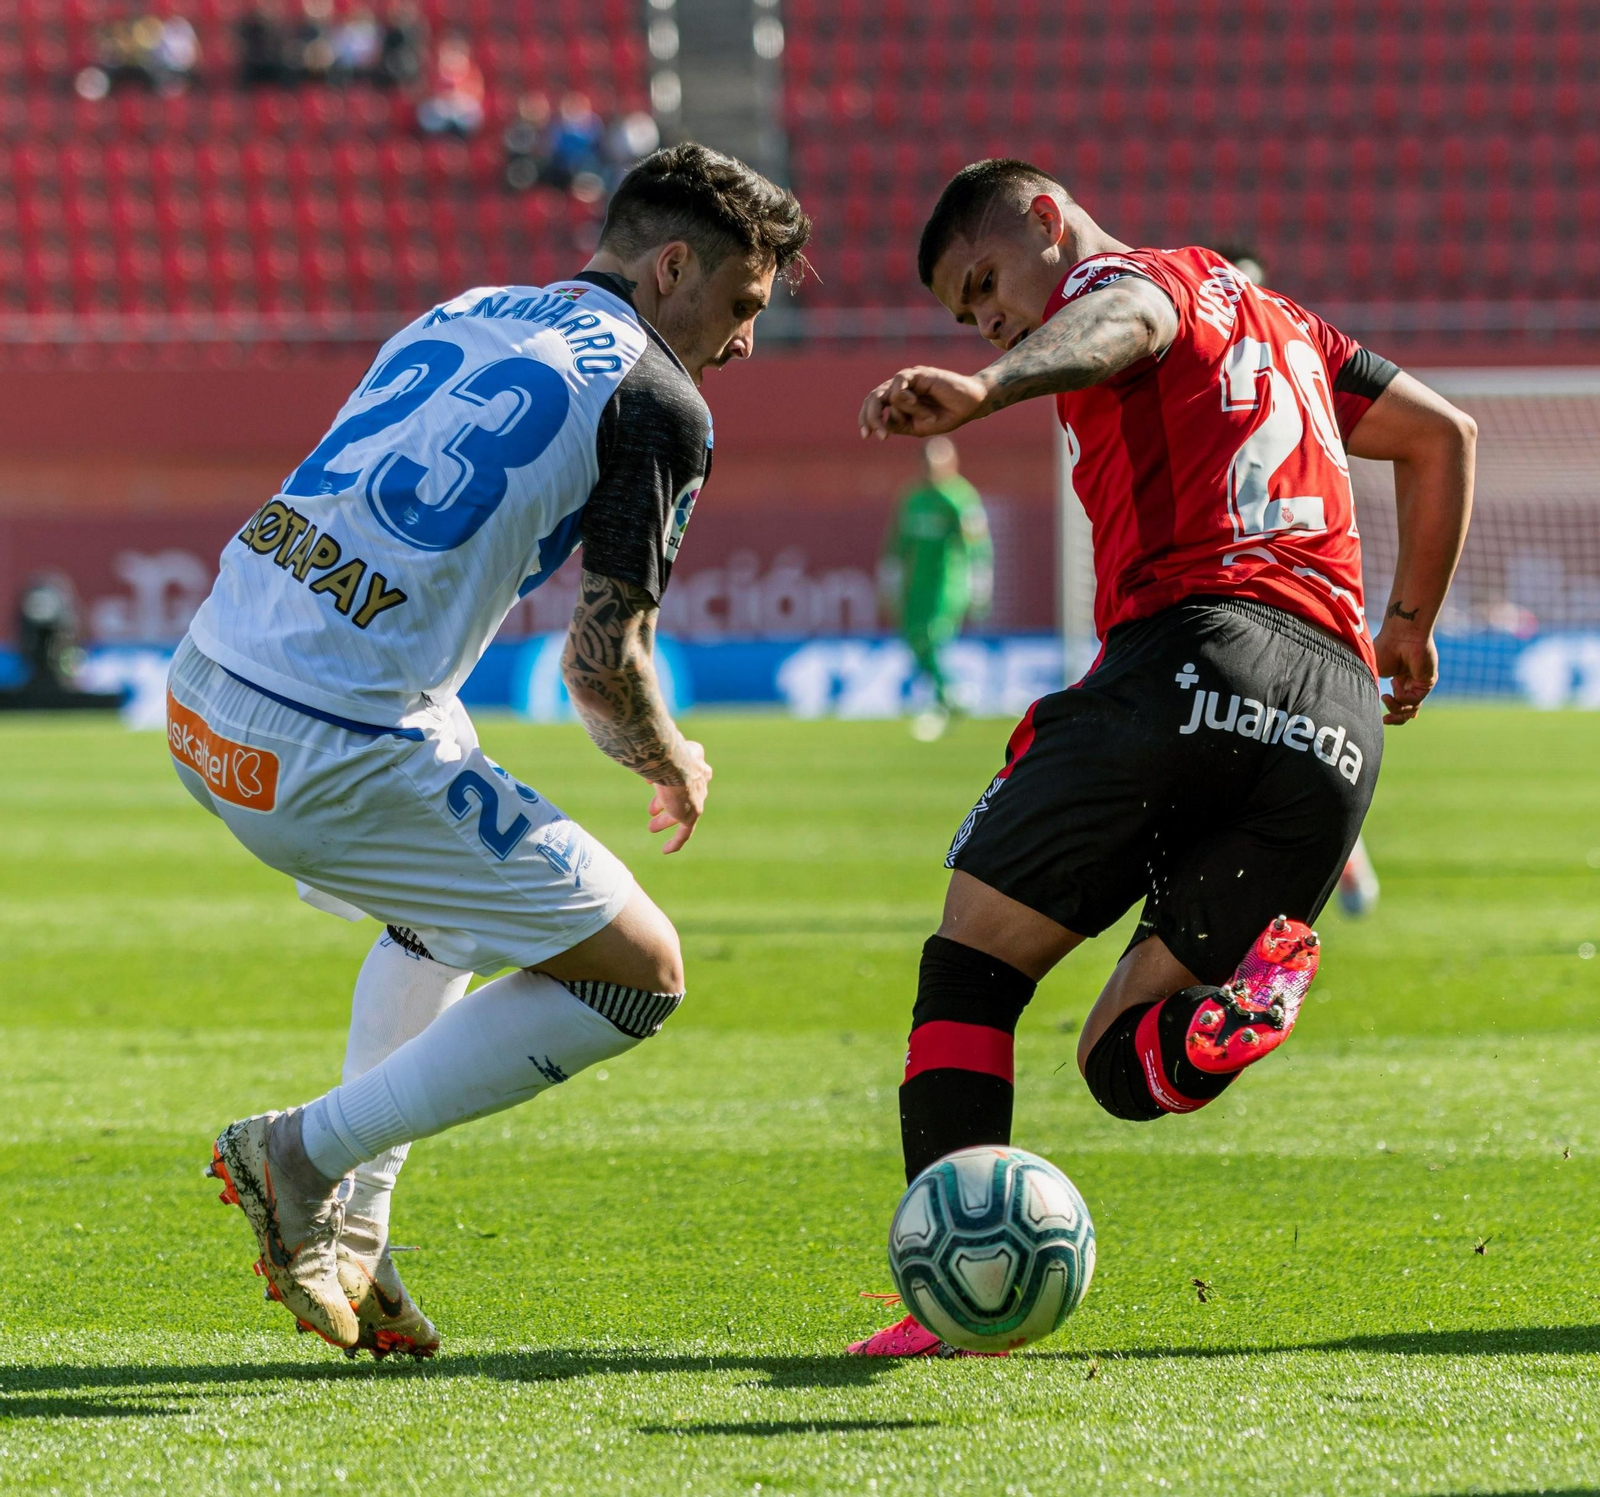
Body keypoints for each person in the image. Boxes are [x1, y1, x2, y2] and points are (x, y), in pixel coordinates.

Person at [175, 144, 810, 1358]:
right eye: (737, 308)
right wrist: (667, 755)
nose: (737, 346)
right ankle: (299, 1157)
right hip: (331, 746)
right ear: (673, 266)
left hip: (207, 687)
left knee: (451, 908)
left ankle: (358, 1229)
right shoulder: (657, 398)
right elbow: (599, 666)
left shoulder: (463, 309)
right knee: (635, 974)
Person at [851, 159, 1474, 1356]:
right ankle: (1216, 1026)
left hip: (1190, 657)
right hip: (1336, 716)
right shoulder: (1288, 324)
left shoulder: (1132, 284)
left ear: (1046, 218)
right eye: (968, 315)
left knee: (971, 968)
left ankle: (947, 1300)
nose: (990, 317)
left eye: (987, 282)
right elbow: (1444, 435)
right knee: (1119, 1059)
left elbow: (1120, 317)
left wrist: (984, 387)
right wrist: (1410, 625)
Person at [879, 436, 993, 737]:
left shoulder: (960, 498)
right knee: (913, 638)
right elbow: (898, 543)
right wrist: (890, 577)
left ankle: (950, 694)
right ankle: (947, 697)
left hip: (948, 583)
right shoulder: (912, 498)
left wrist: (980, 583)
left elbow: (977, 544)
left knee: (932, 636)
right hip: (915, 584)